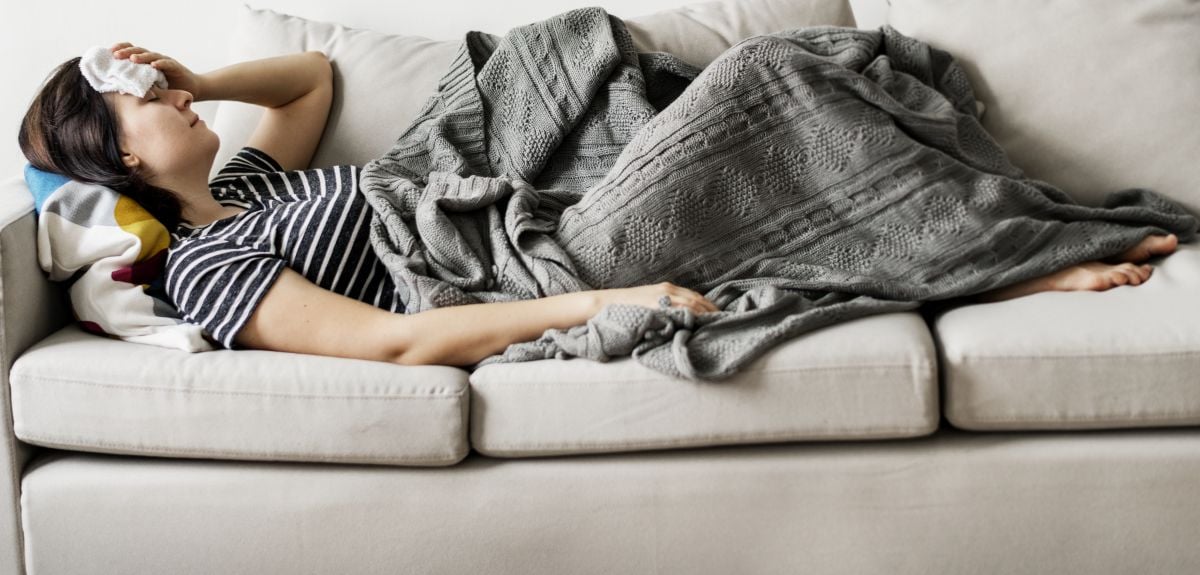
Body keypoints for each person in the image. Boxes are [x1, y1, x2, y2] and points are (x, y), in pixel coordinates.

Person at [18, 44, 1179, 368]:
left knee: (775, 95)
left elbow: (312, 80)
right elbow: (393, 335)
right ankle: (1015, 253)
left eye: (168, 82)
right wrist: (601, 299)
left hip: (532, 211)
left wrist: (206, 80)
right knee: (763, 80)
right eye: (148, 98)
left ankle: (1002, 249)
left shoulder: (253, 185)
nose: (170, 90)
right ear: (110, 152)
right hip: (533, 266)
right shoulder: (206, 269)